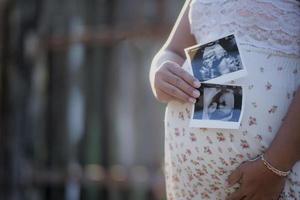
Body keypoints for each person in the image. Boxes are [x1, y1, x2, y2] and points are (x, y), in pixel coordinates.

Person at [149, 0, 300, 199]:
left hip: (274, 176)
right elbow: (173, 51)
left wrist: (276, 165)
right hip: (190, 182)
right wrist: (160, 73)